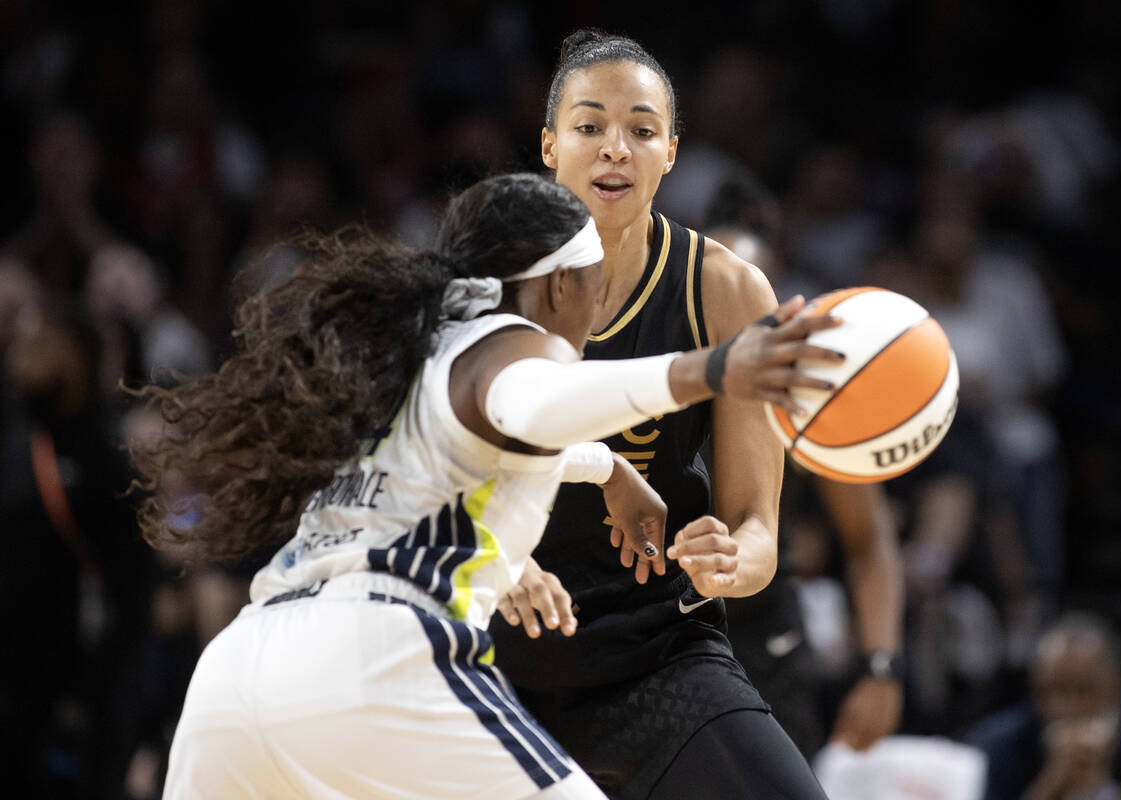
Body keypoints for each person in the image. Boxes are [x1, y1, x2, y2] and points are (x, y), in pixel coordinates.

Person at [130, 172, 836, 800]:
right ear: (562, 283)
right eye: (596, 281)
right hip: (375, 662)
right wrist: (713, 370)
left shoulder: (413, 355)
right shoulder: (511, 347)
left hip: (237, 670)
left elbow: (482, 444)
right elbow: (541, 402)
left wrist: (608, 468)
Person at [489, 30, 903, 800]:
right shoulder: (486, 280)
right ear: (549, 145)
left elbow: (758, 530)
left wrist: (733, 559)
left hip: (652, 655)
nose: (616, 147)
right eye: (589, 126)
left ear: (671, 152)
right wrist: (495, 558)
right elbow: (422, 477)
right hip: (489, 662)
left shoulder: (727, 289)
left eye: (641, 130)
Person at [966, 612, 1121, 800]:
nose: (1065, 706)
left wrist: (1100, 787)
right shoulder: (1000, 743)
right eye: (1050, 690)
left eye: (1083, 689)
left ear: (1117, 684)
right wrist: (1052, 784)